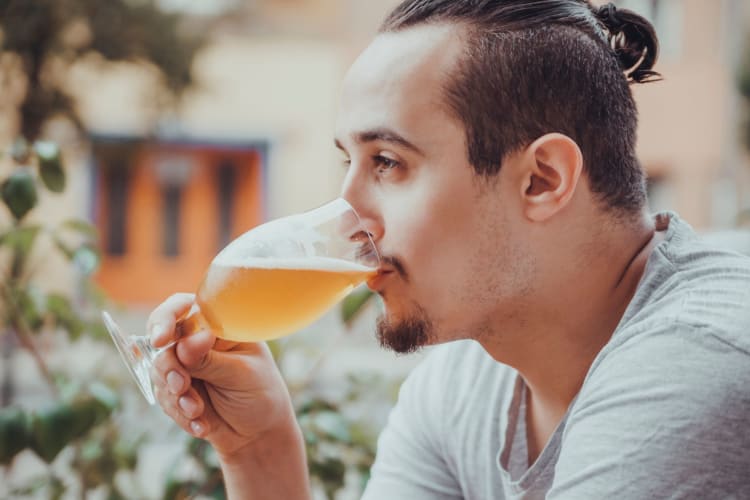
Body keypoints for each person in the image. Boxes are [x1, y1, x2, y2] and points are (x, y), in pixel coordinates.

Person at [146, 1, 750, 498]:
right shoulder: (465, 381)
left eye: (387, 162)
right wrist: (260, 452)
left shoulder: (691, 373)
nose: (350, 216)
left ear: (542, 179)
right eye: (347, 161)